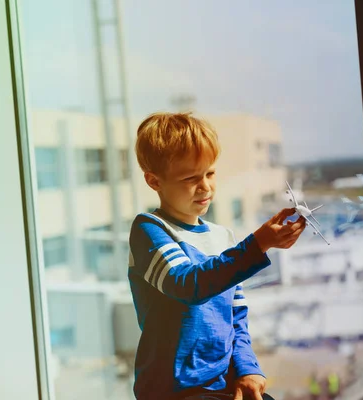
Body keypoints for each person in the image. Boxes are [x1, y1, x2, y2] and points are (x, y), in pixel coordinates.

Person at [128, 112, 306, 400]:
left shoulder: (223, 238)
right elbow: (187, 285)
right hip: (173, 391)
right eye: (190, 178)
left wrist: (247, 370)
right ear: (154, 181)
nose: (206, 186)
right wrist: (258, 244)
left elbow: (236, 317)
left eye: (210, 173)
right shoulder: (149, 229)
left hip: (222, 383)